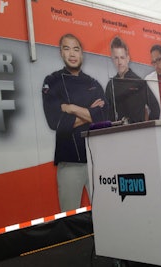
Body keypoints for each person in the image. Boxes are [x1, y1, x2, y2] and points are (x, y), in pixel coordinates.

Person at [42, 33, 108, 212]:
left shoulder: (93, 83)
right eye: (66, 48)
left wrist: (70, 108)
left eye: (76, 49)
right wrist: (90, 113)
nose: (72, 53)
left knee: (105, 214)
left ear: (82, 54)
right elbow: (55, 122)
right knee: (69, 218)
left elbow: (103, 118)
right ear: (61, 53)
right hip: (69, 162)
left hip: (97, 161)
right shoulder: (52, 81)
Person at [105, 36, 160, 123]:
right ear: (112, 59)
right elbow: (107, 115)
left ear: (128, 58)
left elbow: (155, 108)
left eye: (122, 58)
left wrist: (147, 128)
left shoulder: (139, 82)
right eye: (116, 58)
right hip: (119, 134)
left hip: (138, 133)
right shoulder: (111, 85)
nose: (119, 62)